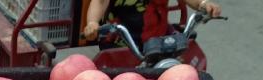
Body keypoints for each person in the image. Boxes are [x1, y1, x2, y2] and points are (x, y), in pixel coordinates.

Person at [83, 0, 222, 46]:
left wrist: (203, 4)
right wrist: (92, 23)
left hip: (158, 40)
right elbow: (99, 2)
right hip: (119, 42)